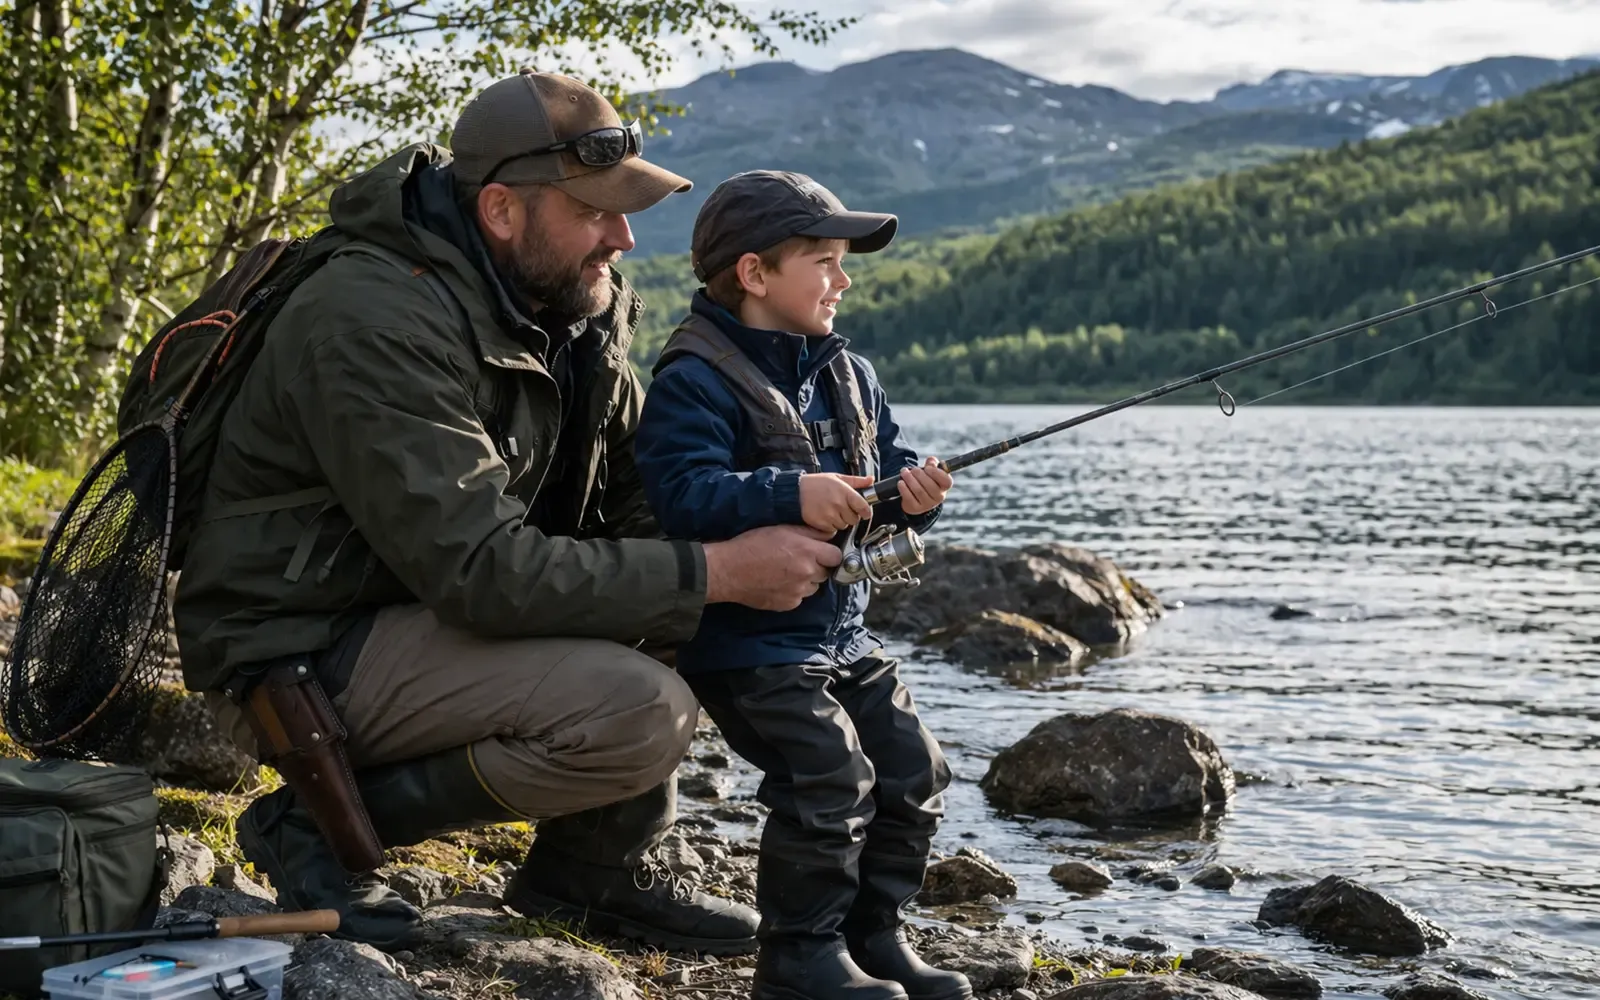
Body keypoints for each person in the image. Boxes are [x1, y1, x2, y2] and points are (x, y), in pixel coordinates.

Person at [172, 71, 845, 955]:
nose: (624, 236)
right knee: (638, 708)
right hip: (300, 644)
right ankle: (311, 821)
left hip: (423, 604)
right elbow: (485, 573)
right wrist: (721, 571)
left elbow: (636, 499)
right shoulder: (370, 317)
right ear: (500, 210)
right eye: (596, 211)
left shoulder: (575, 306)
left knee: (698, 607)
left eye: (627, 209)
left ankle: (590, 876)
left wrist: (766, 519)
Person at [632, 170, 971, 1000]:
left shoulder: (849, 370)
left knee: (911, 769)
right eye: (822, 260)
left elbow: (884, 469)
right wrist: (789, 493)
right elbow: (683, 494)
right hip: (746, 645)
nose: (843, 280)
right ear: (753, 274)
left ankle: (872, 939)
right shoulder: (692, 379)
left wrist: (910, 500)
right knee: (828, 779)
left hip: (841, 632)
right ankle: (798, 960)